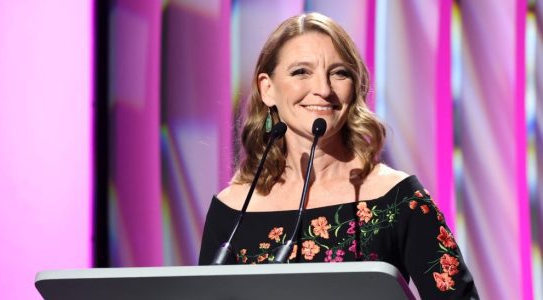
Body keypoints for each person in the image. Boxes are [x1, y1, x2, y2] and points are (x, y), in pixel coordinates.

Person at [199, 12, 478, 298]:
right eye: (301, 72)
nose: (323, 89)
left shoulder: (397, 197)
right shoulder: (232, 210)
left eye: (339, 73)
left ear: (354, 88)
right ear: (267, 89)